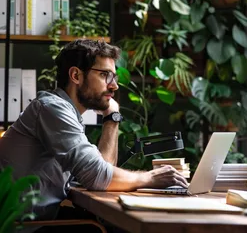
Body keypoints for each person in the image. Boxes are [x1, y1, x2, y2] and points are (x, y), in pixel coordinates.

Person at [0, 39, 188, 231]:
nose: (114, 86)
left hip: (35, 221)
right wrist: (151, 177)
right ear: (76, 75)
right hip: (22, 227)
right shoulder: (52, 108)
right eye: (105, 75)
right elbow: (98, 177)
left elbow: (101, 171)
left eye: (114, 77)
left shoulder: (65, 113)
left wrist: (111, 119)